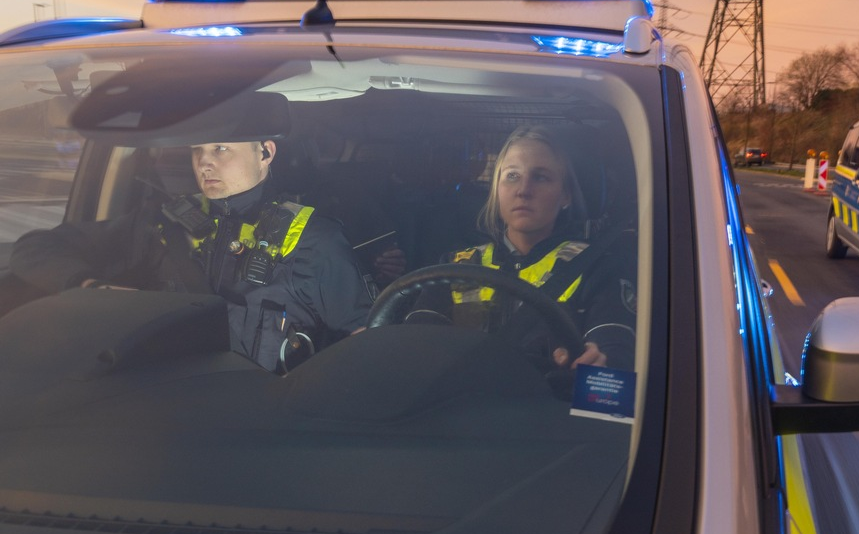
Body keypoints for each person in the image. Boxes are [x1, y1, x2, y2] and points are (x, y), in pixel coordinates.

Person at [10, 139, 373, 373]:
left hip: (264, 426)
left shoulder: (313, 240)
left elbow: (366, 347)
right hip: (162, 416)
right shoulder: (161, 225)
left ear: (265, 153)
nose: (204, 163)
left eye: (221, 149)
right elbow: (33, 249)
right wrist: (92, 287)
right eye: (197, 150)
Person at [405, 125, 636, 372]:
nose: (523, 190)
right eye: (512, 176)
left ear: (565, 196)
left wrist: (598, 361)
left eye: (541, 177)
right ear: (497, 190)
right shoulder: (455, 266)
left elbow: (614, 351)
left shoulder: (597, 268)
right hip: (463, 395)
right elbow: (415, 346)